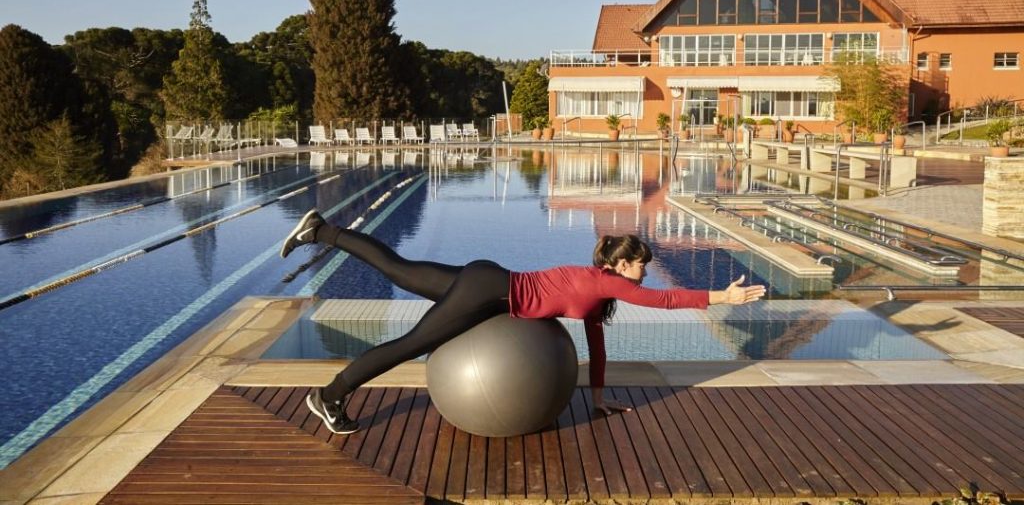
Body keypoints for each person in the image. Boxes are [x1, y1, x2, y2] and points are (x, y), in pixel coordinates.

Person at [280, 209, 767, 434]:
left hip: (487, 280)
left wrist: (597, 401)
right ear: (621, 266)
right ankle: (328, 396)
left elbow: (596, 349)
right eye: (641, 264)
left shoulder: (601, 292)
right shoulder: (608, 281)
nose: (644, 272)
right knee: (409, 344)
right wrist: (720, 295)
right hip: (490, 292)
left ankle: (321, 229)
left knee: (398, 268)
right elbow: (663, 302)